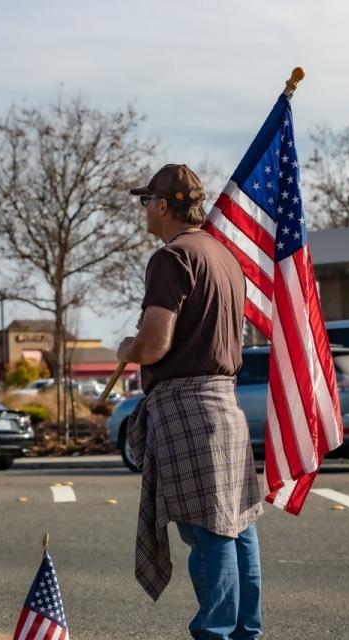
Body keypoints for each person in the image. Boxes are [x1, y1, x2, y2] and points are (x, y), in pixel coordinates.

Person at [117, 165, 264, 640]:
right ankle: (245, 633)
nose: (144, 210)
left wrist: (128, 349)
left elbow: (155, 344)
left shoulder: (171, 258)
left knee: (209, 530)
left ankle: (215, 634)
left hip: (188, 410)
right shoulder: (224, 257)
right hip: (225, 407)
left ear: (163, 205)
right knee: (237, 528)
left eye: (147, 202)